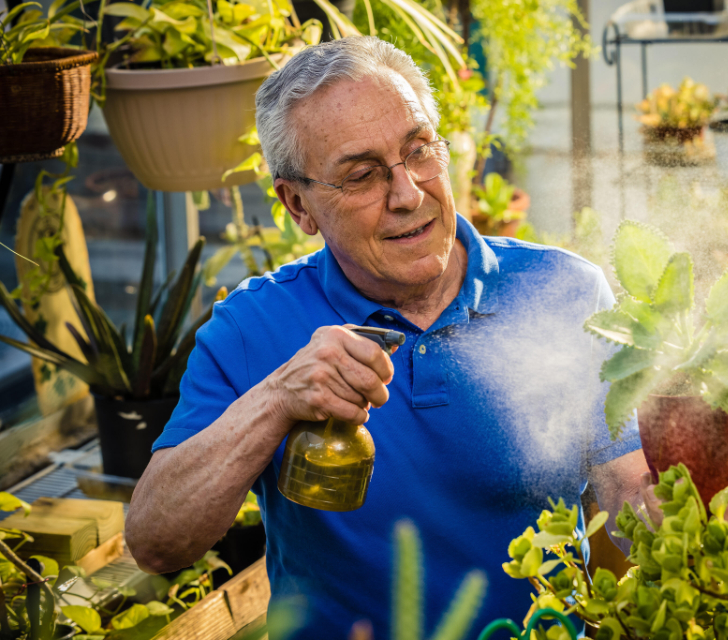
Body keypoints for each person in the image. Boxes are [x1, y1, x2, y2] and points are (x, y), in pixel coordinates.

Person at [126, 36, 653, 638]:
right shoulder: (251, 327)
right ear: (298, 205)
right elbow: (154, 544)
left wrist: (697, 500)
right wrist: (276, 399)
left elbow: (627, 492)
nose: (409, 194)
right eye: (362, 175)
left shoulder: (564, 292)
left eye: (420, 150)